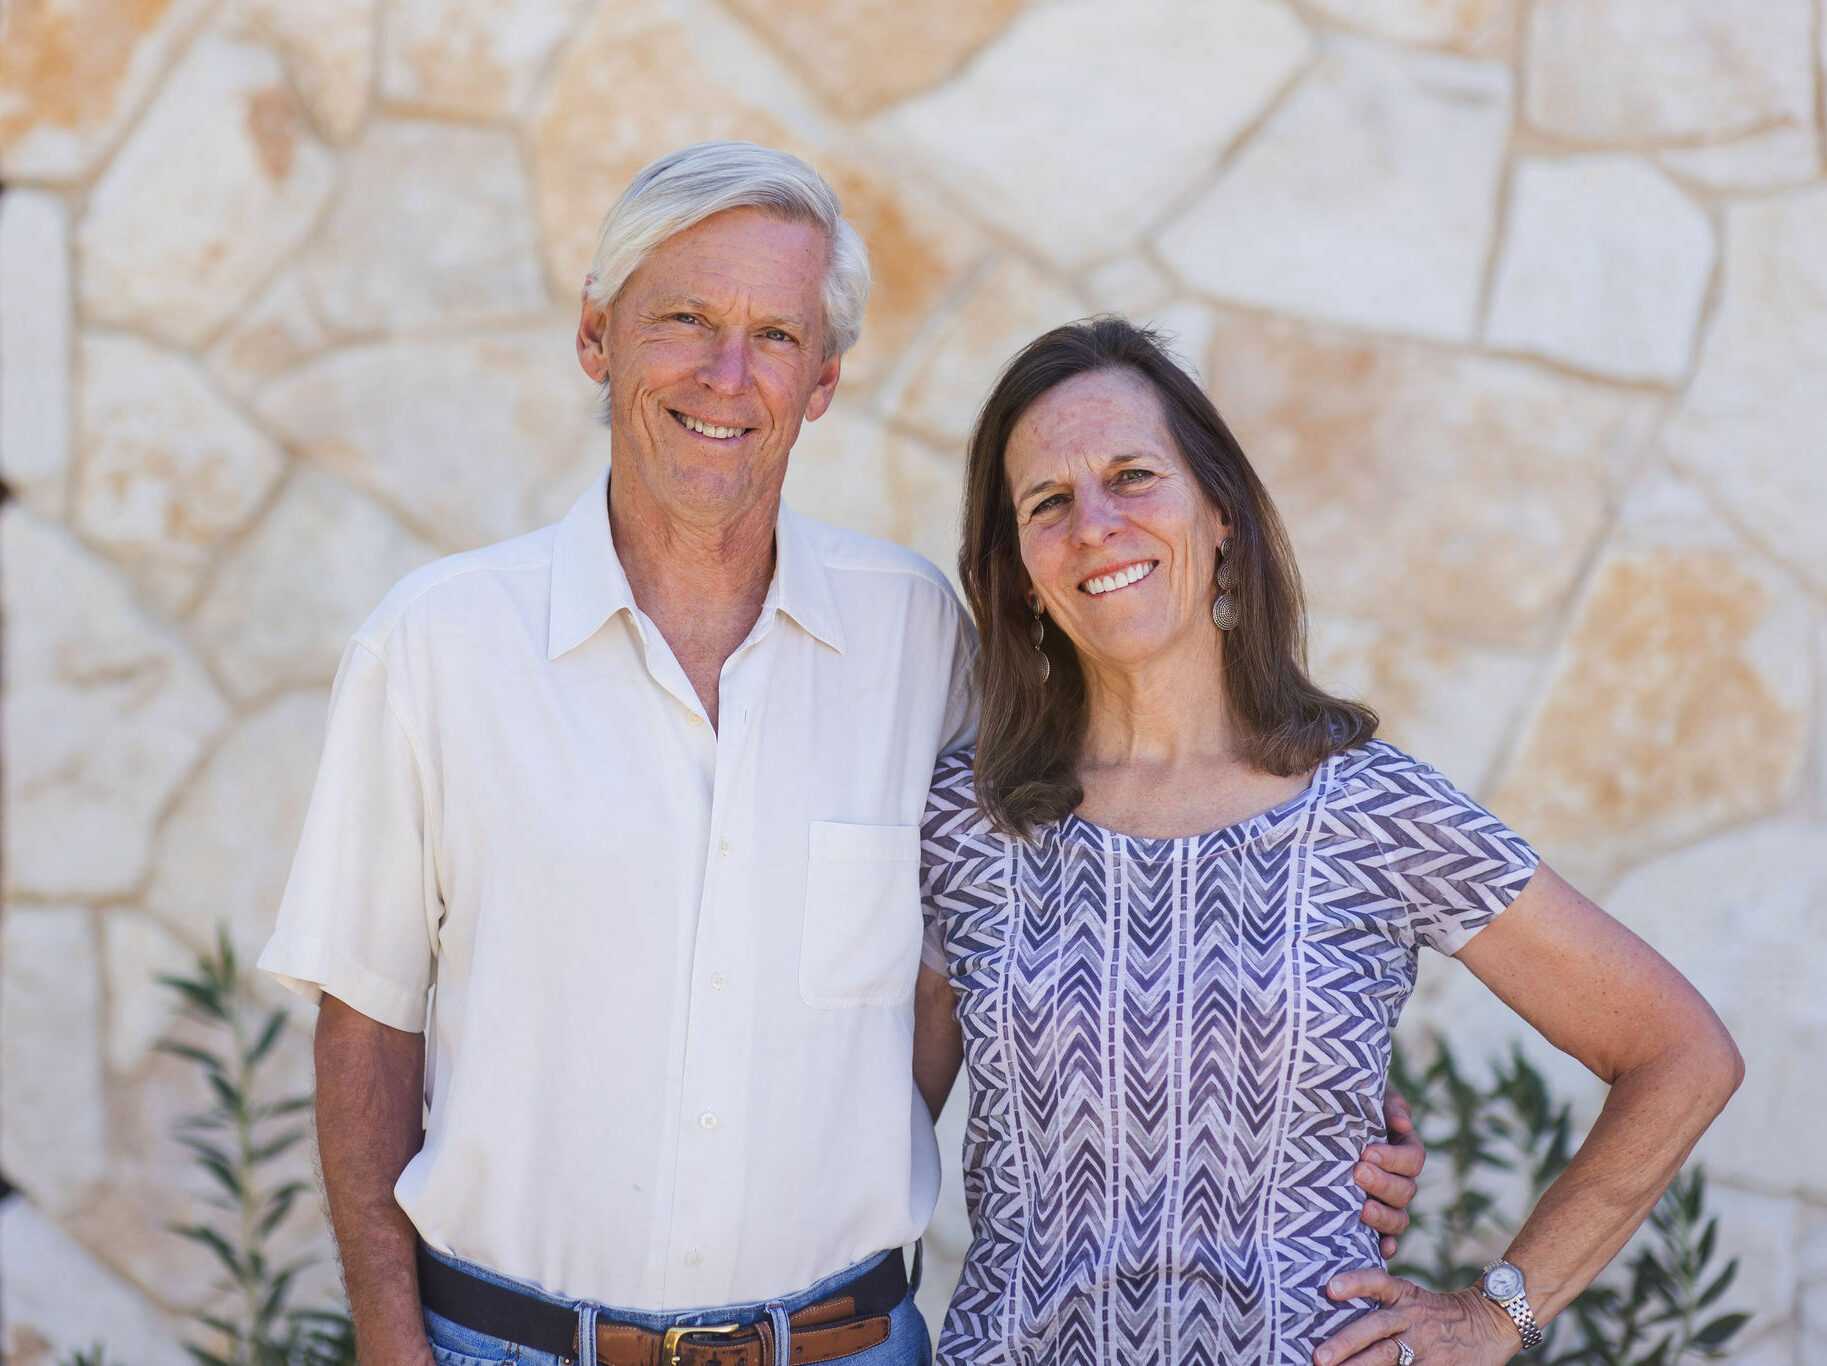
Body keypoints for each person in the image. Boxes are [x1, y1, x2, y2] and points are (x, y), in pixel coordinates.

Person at [257, 144, 1421, 1365]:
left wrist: (1312, 1114)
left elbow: (1087, 892)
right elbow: (368, 1030)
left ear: (822, 380)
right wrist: (393, 1345)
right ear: (596, 336)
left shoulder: (921, 642)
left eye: (774, 336)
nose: (726, 374)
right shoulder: (436, 647)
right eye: (684, 321)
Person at [913, 317, 1744, 1366]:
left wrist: (1499, 1315)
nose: (1095, 524)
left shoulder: (1370, 808)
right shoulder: (966, 820)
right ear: (1021, 568)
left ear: (1220, 513)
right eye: (1048, 501)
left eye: (1133, 475)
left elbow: (1679, 1052)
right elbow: (871, 1129)